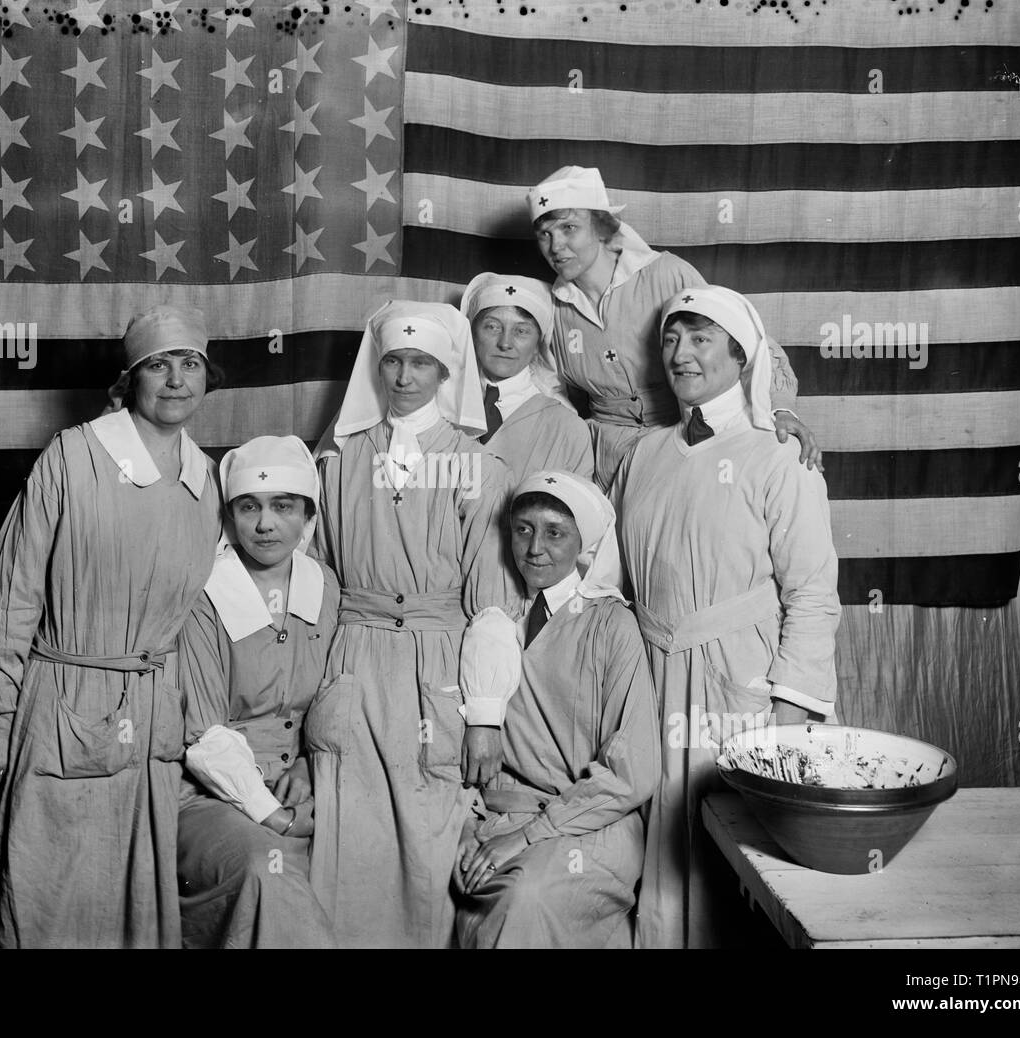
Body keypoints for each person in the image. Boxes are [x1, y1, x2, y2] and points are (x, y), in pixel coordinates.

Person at [0, 304, 224, 948]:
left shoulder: (209, 481)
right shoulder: (72, 456)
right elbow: (12, 592)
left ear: (206, 378)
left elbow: (197, 619)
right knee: (44, 893)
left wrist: (200, 723)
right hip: (62, 707)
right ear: (128, 381)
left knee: (134, 897)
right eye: (157, 365)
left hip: (151, 719)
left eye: (189, 363)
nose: (175, 379)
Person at [612, 285, 840, 949]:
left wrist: (788, 720)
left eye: (701, 338)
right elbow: (604, 570)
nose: (682, 354)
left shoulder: (780, 455)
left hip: (743, 688)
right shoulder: (644, 455)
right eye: (672, 339)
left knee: (738, 875)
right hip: (654, 684)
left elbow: (813, 595)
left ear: (743, 357)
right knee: (664, 868)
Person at [307, 300, 523, 948]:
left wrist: (484, 716)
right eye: (394, 361)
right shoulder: (337, 461)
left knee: (431, 842)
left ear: (444, 370)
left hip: (438, 668)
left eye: (421, 362)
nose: (404, 377)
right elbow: (315, 579)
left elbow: (492, 605)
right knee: (350, 842)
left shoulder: (481, 468)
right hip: (353, 661)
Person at [454, 471, 660, 948]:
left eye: (554, 533)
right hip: (499, 816)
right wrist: (464, 826)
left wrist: (530, 836)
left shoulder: (611, 624)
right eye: (522, 529)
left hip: (589, 825)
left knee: (527, 897)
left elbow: (634, 772)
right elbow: (454, 743)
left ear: (582, 543)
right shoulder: (492, 620)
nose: (534, 548)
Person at [527, 165, 820, 489]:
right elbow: (547, 390)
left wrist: (781, 408)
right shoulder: (552, 309)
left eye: (569, 228)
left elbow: (748, 344)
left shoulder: (666, 275)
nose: (555, 247)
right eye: (545, 233)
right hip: (605, 464)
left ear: (600, 226)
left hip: (684, 448)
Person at [175, 435, 337, 948]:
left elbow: (336, 698)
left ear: (307, 514)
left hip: (307, 784)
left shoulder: (326, 588)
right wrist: (276, 817)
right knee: (267, 873)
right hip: (214, 796)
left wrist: (313, 765)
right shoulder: (205, 595)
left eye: (282, 506)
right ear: (230, 516)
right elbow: (202, 735)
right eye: (249, 507)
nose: (265, 524)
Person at [459, 272, 593, 482]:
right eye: (492, 326)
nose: (505, 343)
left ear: (539, 344)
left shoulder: (565, 425)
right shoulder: (442, 404)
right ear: (472, 332)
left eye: (521, 331)